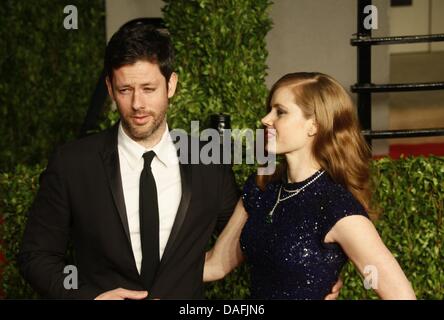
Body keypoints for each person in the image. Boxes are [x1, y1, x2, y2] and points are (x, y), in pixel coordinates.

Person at [17, 20, 241, 300]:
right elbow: (36, 255)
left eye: (148, 89)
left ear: (171, 85)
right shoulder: (72, 163)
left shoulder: (209, 163)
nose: (137, 104)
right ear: (110, 89)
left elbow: (248, 238)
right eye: (125, 90)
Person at [203, 72, 417, 300]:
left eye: (280, 112)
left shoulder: (336, 207)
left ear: (314, 125)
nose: (266, 119)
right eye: (270, 110)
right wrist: (160, 275)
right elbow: (216, 265)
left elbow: (401, 295)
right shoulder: (261, 187)